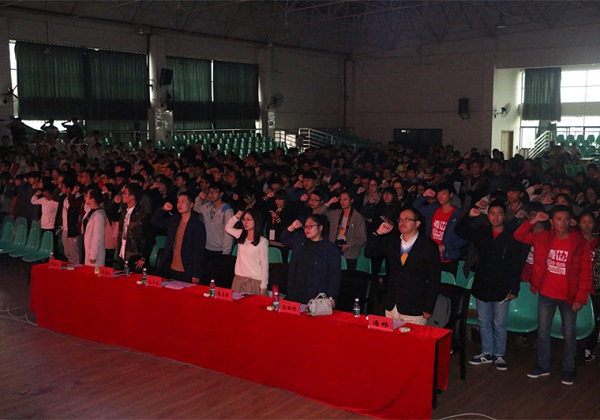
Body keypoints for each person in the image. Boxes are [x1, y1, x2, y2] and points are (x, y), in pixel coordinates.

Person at [514, 205, 592, 385]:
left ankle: (568, 369)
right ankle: (543, 366)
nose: (562, 223)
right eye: (558, 219)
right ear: (551, 221)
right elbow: (518, 236)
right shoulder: (543, 237)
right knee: (543, 332)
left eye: (566, 219)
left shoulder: (579, 242)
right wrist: (534, 220)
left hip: (568, 297)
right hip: (546, 294)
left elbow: (586, 273)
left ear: (571, 221)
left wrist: (580, 298)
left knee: (569, 334)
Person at [455, 200, 528, 371]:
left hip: (503, 284)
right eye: (492, 213)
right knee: (483, 320)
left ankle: (499, 354)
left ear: (504, 216)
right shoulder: (482, 231)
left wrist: (514, 288)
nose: (496, 217)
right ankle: (487, 352)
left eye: (499, 214)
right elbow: (459, 230)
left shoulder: (511, 235)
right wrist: (469, 215)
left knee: (499, 322)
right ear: (488, 215)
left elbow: (516, 264)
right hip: (483, 281)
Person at [365, 207, 441, 325]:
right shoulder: (392, 241)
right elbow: (369, 252)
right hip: (391, 304)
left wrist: (428, 307)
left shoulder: (428, 246)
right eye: (400, 219)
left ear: (417, 223)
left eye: (407, 219)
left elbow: (434, 278)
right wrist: (378, 233)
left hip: (414, 306)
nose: (402, 222)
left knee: (413, 337)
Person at [282, 214, 341, 304]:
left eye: (310, 226)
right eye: (305, 226)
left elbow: (334, 276)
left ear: (320, 228)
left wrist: (331, 296)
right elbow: (284, 238)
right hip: (296, 291)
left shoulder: (330, 249)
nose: (307, 229)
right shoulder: (300, 242)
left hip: (316, 294)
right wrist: (292, 227)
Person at [151, 191, 206, 283]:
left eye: (183, 202)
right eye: (178, 202)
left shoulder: (197, 225)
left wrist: (196, 273)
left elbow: (199, 251)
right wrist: (163, 209)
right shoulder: (174, 220)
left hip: (187, 269)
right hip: (170, 266)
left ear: (191, 205)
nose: (179, 205)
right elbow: (155, 222)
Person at [414, 182, 467, 276]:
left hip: (449, 257)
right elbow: (415, 208)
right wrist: (424, 195)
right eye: (438, 194)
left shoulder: (458, 214)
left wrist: (446, 246)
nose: (440, 196)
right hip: (431, 255)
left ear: (451, 195)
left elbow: (464, 238)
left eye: (443, 193)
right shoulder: (433, 209)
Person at [109, 182, 152, 272]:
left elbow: (149, 237)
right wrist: (115, 204)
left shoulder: (142, 214)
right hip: (123, 253)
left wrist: (144, 257)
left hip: (135, 256)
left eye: (125, 193)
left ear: (132, 196)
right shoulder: (124, 212)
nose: (122, 195)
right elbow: (112, 216)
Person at [225, 209, 269, 294]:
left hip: (254, 280)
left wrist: (264, 286)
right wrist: (236, 217)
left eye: (248, 219)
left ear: (256, 220)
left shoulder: (262, 241)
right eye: (244, 219)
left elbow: (264, 265)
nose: (245, 222)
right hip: (239, 278)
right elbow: (228, 228)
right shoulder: (240, 234)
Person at [326, 191, 367, 271]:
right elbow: (317, 212)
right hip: (335, 248)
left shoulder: (358, 217)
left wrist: (349, 244)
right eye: (341, 199)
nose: (342, 202)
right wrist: (329, 203)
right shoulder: (336, 213)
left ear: (351, 200)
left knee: (349, 275)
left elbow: (362, 238)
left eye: (345, 199)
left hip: (351, 251)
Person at [81, 187, 106, 267]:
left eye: (88, 196)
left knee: (95, 271)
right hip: (87, 246)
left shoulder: (98, 215)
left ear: (93, 199)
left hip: (95, 252)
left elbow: (97, 236)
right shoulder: (90, 211)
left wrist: (93, 255)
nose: (85, 197)